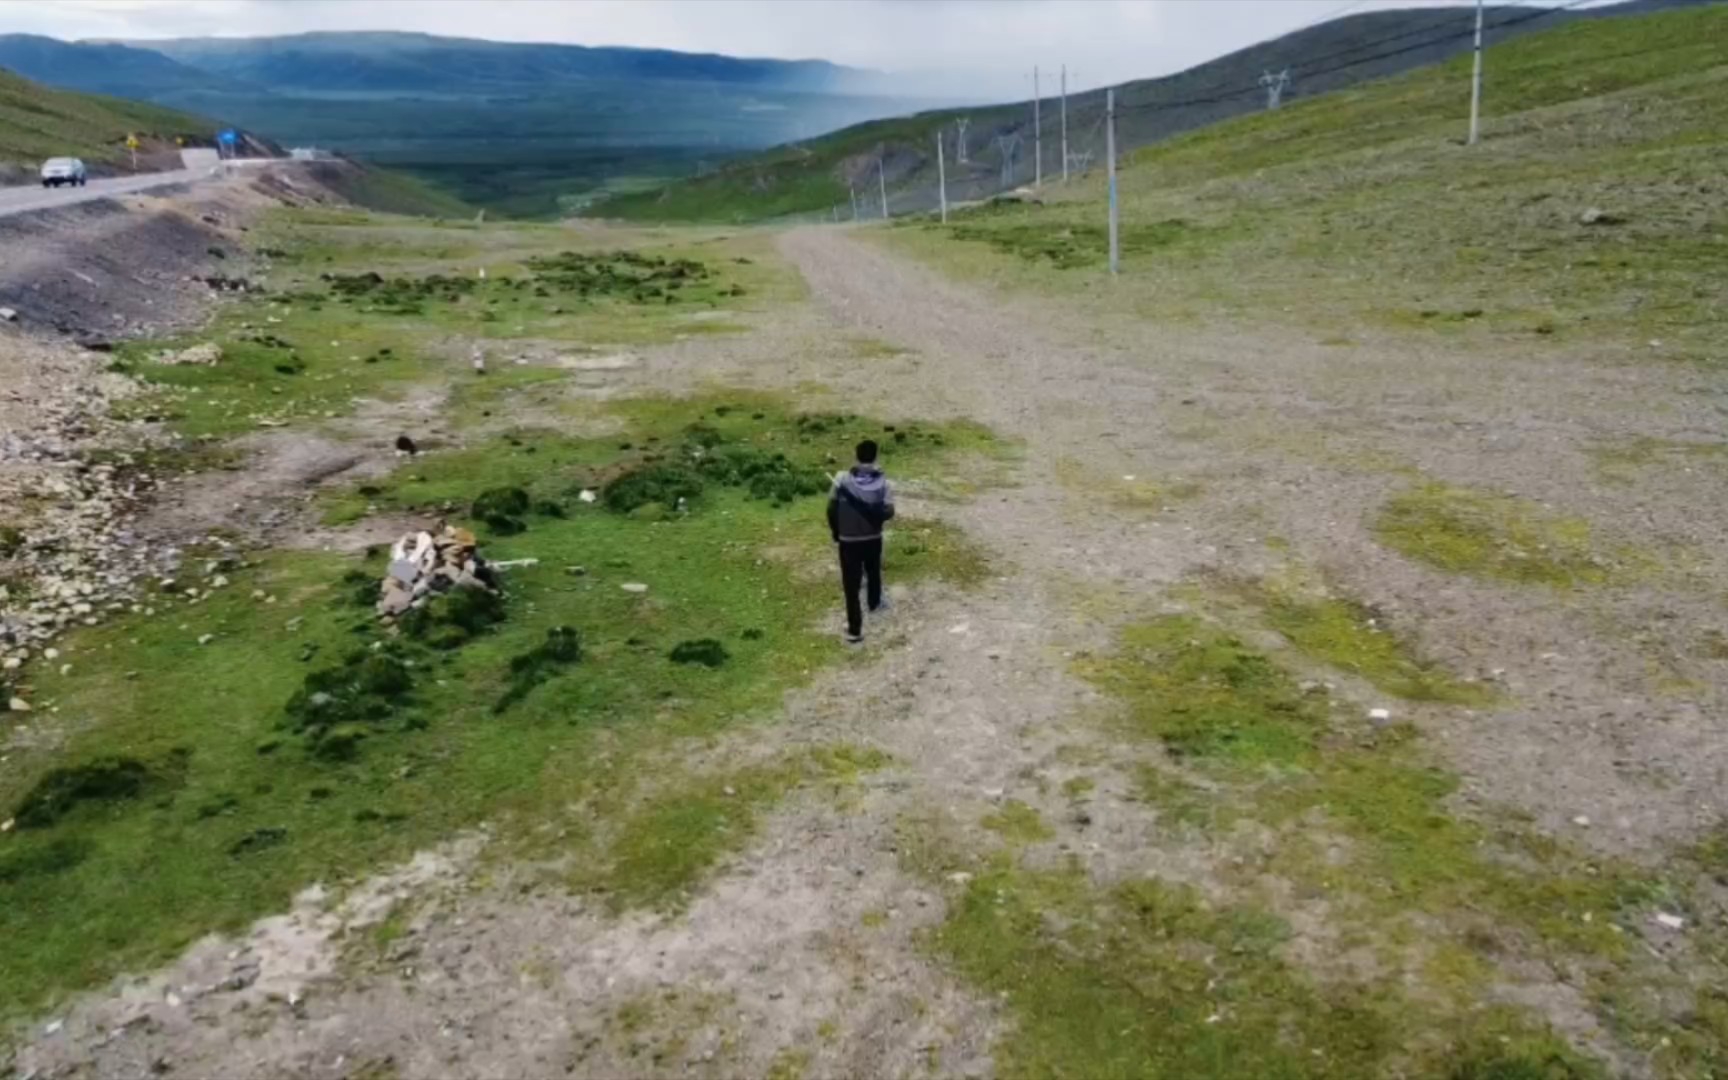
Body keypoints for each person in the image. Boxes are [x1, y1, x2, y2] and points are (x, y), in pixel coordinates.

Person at [827, 439, 895, 644]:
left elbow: (831, 509)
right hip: (873, 538)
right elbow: (889, 512)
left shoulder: (841, 479)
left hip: (848, 541)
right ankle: (874, 602)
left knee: (851, 586)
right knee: (873, 570)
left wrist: (836, 532)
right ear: (875, 457)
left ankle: (855, 630)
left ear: (856, 456)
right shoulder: (884, 482)